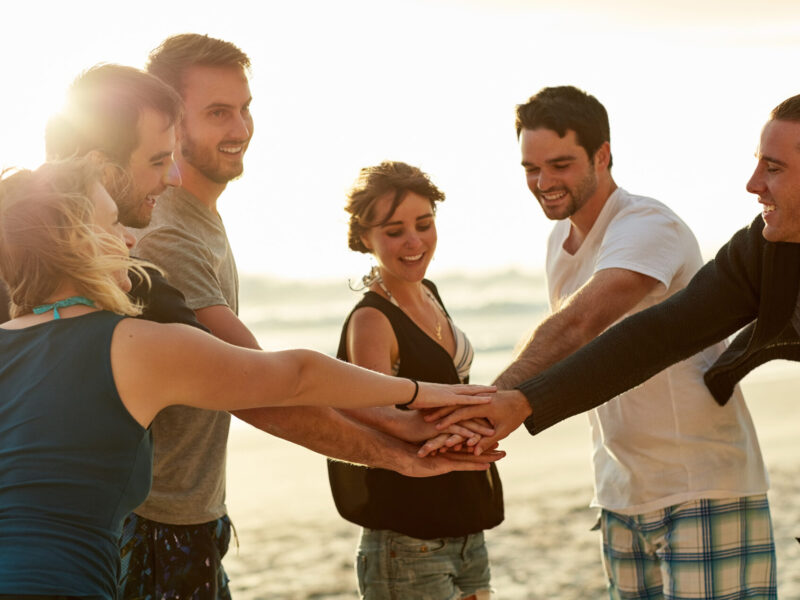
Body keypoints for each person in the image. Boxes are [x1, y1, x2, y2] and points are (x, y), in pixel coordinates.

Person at [0, 158, 502, 599]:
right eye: (112, 224)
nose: (130, 238)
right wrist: (422, 392)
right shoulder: (136, 343)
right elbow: (297, 376)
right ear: (74, 239)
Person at [431, 86, 776, 599]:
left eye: (561, 164)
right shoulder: (559, 243)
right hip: (620, 494)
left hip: (702, 487)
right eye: (531, 168)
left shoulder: (645, 224)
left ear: (603, 155)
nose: (544, 182)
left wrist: (485, 405)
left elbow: (581, 325)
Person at [328, 161, 503, 600]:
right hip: (408, 537)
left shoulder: (430, 292)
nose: (414, 242)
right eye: (394, 231)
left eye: (424, 225)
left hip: (465, 525)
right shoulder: (371, 320)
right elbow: (370, 416)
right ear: (364, 237)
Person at [43, 63, 202, 330]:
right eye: (158, 161)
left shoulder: (18, 282)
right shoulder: (138, 288)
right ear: (101, 170)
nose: (175, 179)